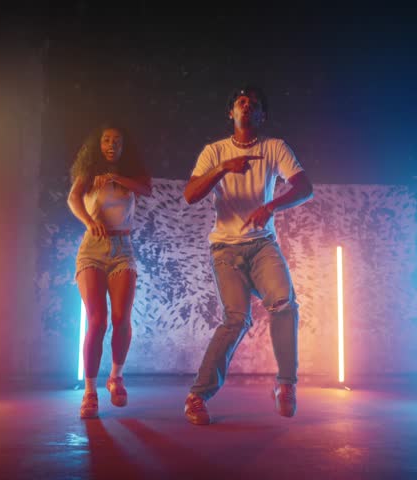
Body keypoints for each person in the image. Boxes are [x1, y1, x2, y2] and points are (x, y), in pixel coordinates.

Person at [182, 86, 314, 425]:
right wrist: (223, 168)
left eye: (253, 103)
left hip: (262, 245)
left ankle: (286, 385)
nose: (246, 104)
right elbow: (190, 195)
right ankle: (197, 397)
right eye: (240, 101)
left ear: (261, 115)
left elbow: (304, 187)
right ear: (231, 112)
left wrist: (270, 207)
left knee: (284, 303)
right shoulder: (214, 152)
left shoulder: (274, 148)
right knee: (237, 319)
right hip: (225, 248)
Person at [67, 124, 152, 419]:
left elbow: (146, 189)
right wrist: (90, 222)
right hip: (93, 249)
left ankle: (116, 377)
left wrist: (116, 177)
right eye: (106, 139)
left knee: (121, 319)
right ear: (98, 144)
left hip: (122, 249)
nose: (111, 144)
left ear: (124, 147)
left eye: (117, 140)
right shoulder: (89, 173)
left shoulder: (130, 176)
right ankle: (90, 392)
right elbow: (73, 198)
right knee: (97, 321)